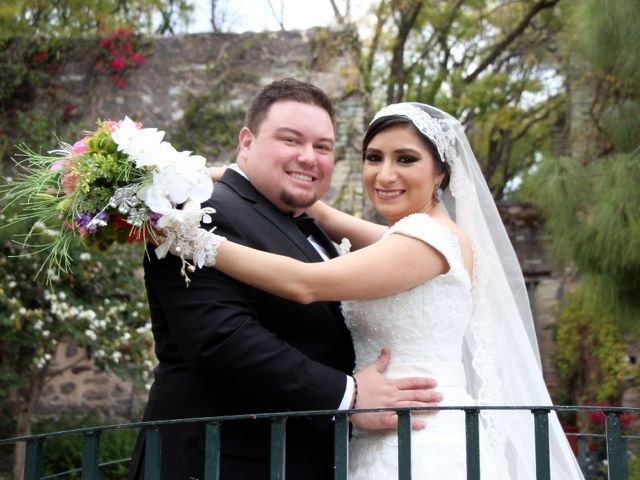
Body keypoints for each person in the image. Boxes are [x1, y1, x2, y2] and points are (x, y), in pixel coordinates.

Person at [200, 103, 585, 478]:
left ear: (441, 174)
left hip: (422, 442)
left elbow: (305, 283)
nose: (384, 175)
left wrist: (190, 239)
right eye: (374, 158)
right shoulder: (413, 235)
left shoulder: (426, 240)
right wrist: (223, 176)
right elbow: (326, 216)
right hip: (380, 434)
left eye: (405, 159)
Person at [127, 80, 441, 480]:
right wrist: (349, 394)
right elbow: (221, 339)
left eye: (323, 147)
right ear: (247, 142)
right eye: (291, 140)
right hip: (220, 462)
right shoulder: (196, 214)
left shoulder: (307, 223)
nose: (309, 158)